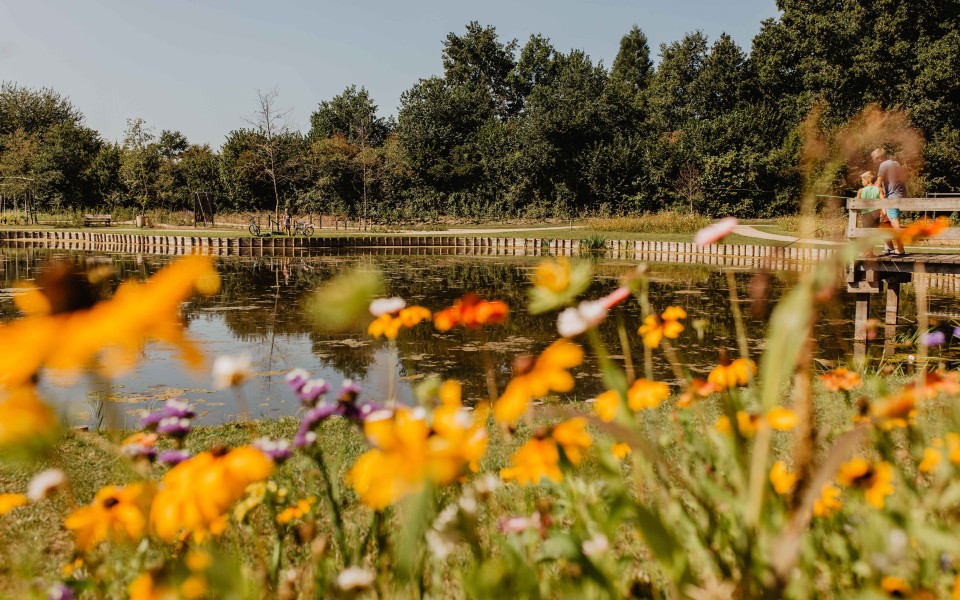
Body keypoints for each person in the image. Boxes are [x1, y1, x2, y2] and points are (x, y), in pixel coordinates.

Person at [872, 147, 906, 256]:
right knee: (884, 221)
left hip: (892, 197)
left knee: (894, 222)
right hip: (899, 195)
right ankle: (890, 247)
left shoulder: (883, 165)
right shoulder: (896, 163)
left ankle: (900, 249)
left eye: (875, 159)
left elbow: (878, 182)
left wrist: (868, 192)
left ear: (880, 157)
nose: (874, 161)